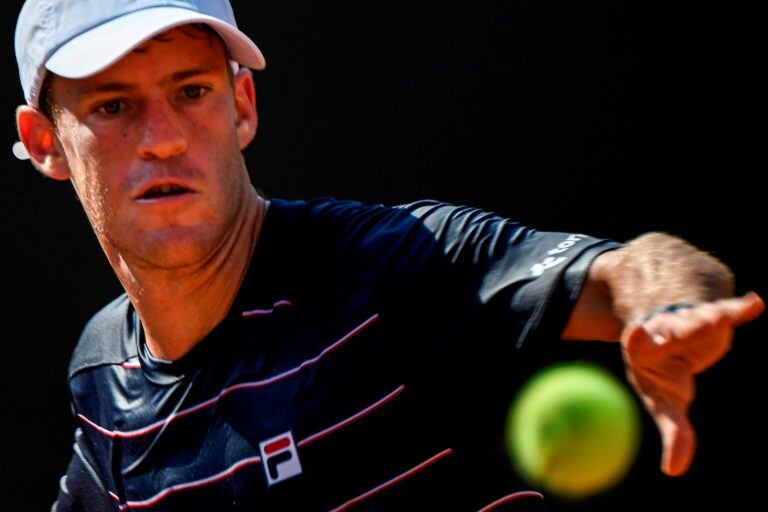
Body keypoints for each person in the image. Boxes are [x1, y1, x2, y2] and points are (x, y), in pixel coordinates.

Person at [13, 1, 763, 511]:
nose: (166, 137)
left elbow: (634, 266)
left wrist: (666, 308)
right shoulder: (104, 378)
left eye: (192, 91)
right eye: (114, 106)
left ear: (242, 106)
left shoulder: (390, 266)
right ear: (46, 143)